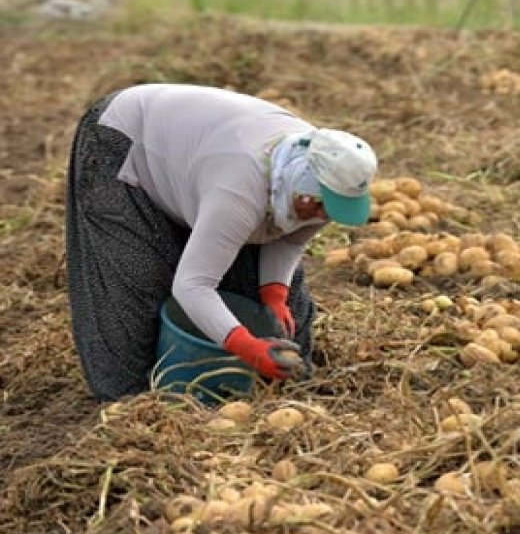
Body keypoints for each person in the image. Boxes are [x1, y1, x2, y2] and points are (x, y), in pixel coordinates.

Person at [66, 83, 378, 401]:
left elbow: (289, 242)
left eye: (332, 208)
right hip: (126, 140)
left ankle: (280, 393)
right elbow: (193, 286)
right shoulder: (240, 191)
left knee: (280, 306)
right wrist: (247, 347)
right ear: (300, 179)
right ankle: (130, 402)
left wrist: (274, 293)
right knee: (138, 281)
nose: (322, 215)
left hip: (202, 163)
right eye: (318, 204)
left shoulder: (321, 185)